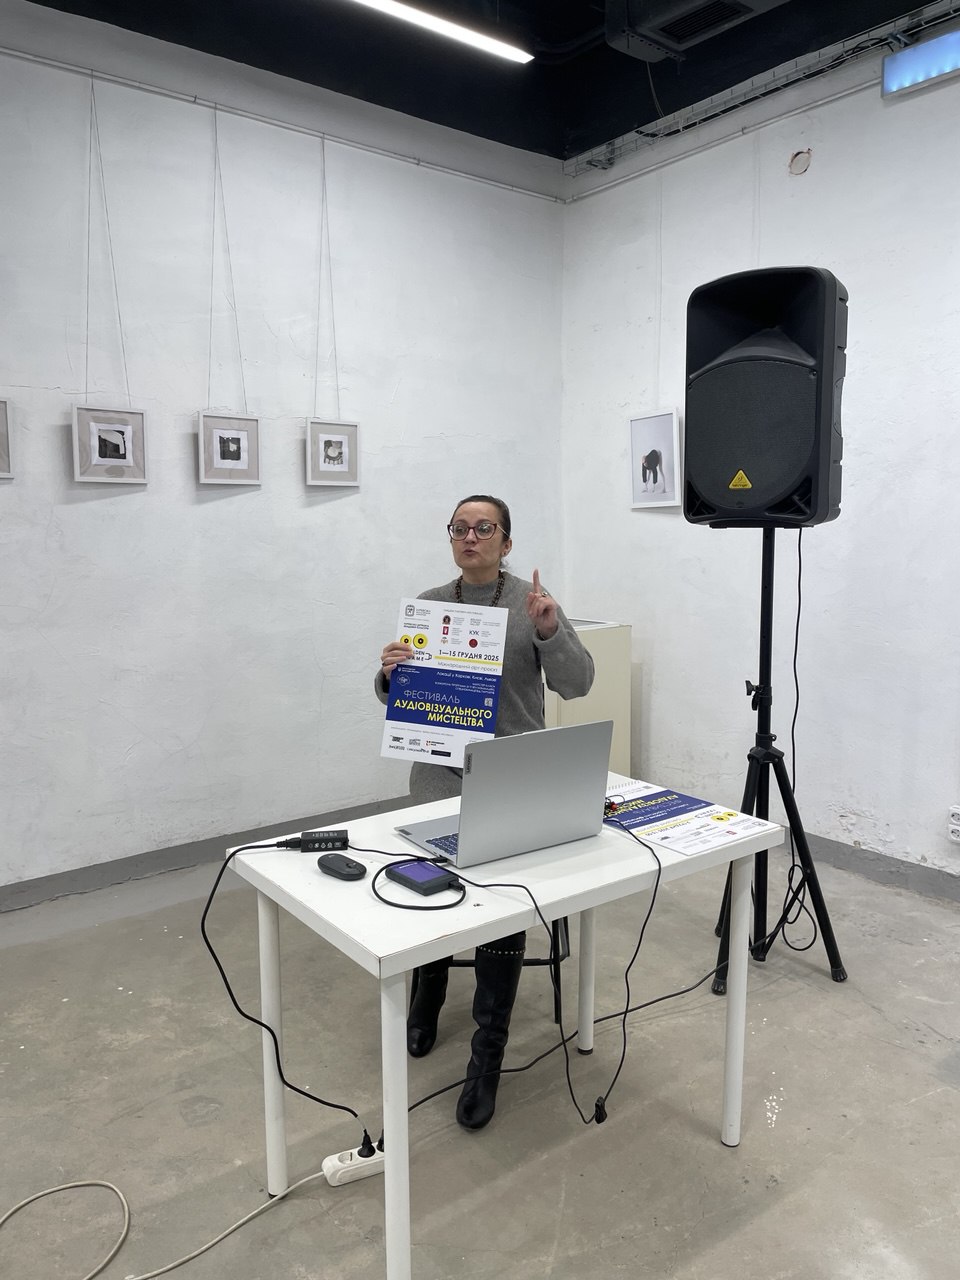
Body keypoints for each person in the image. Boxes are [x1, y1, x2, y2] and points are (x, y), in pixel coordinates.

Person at [375, 495, 595, 1130]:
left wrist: (550, 630)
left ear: (506, 542)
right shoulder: (429, 605)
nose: (470, 537)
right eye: (460, 528)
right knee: (429, 894)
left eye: (483, 528)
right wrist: (389, 676)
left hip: (511, 781)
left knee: (501, 910)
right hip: (438, 780)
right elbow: (398, 699)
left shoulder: (532, 604)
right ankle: (428, 990)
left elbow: (578, 683)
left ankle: (487, 1051)